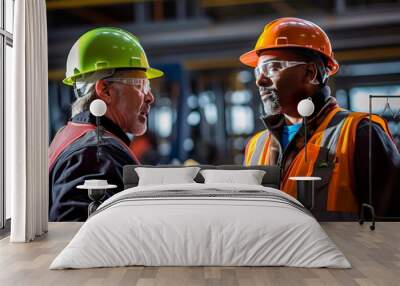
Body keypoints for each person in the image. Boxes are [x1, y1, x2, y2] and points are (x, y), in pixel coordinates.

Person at [241, 17, 400, 219]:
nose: (259, 80)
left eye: (272, 68)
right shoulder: (256, 145)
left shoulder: (359, 133)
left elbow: (392, 228)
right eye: (258, 70)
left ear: (309, 73)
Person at [48, 27, 163, 221]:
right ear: (105, 90)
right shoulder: (95, 152)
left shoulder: (73, 135)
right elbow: (73, 230)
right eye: (140, 86)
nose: (150, 97)